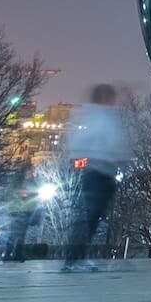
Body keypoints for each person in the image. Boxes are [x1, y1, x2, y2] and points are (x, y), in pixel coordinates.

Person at [62, 84, 131, 272]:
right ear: (105, 98)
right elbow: (114, 142)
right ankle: (74, 260)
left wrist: (78, 160)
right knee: (91, 217)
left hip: (92, 172)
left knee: (88, 216)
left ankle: (75, 258)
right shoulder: (105, 118)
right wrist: (122, 158)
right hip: (102, 171)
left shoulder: (86, 116)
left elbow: (76, 144)